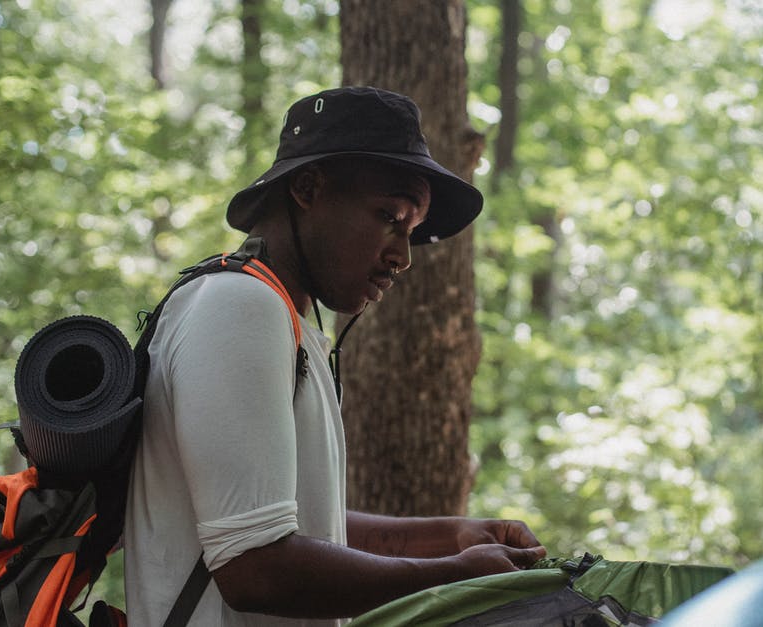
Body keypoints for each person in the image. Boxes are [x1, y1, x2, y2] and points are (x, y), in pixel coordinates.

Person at [124, 86, 546, 625]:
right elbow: (255, 568)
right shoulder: (239, 306)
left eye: (412, 232)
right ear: (307, 188)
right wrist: (456, 576)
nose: (403, 257)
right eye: (390, 218)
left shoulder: (282, 318)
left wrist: (449, 537)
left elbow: (294, 525)